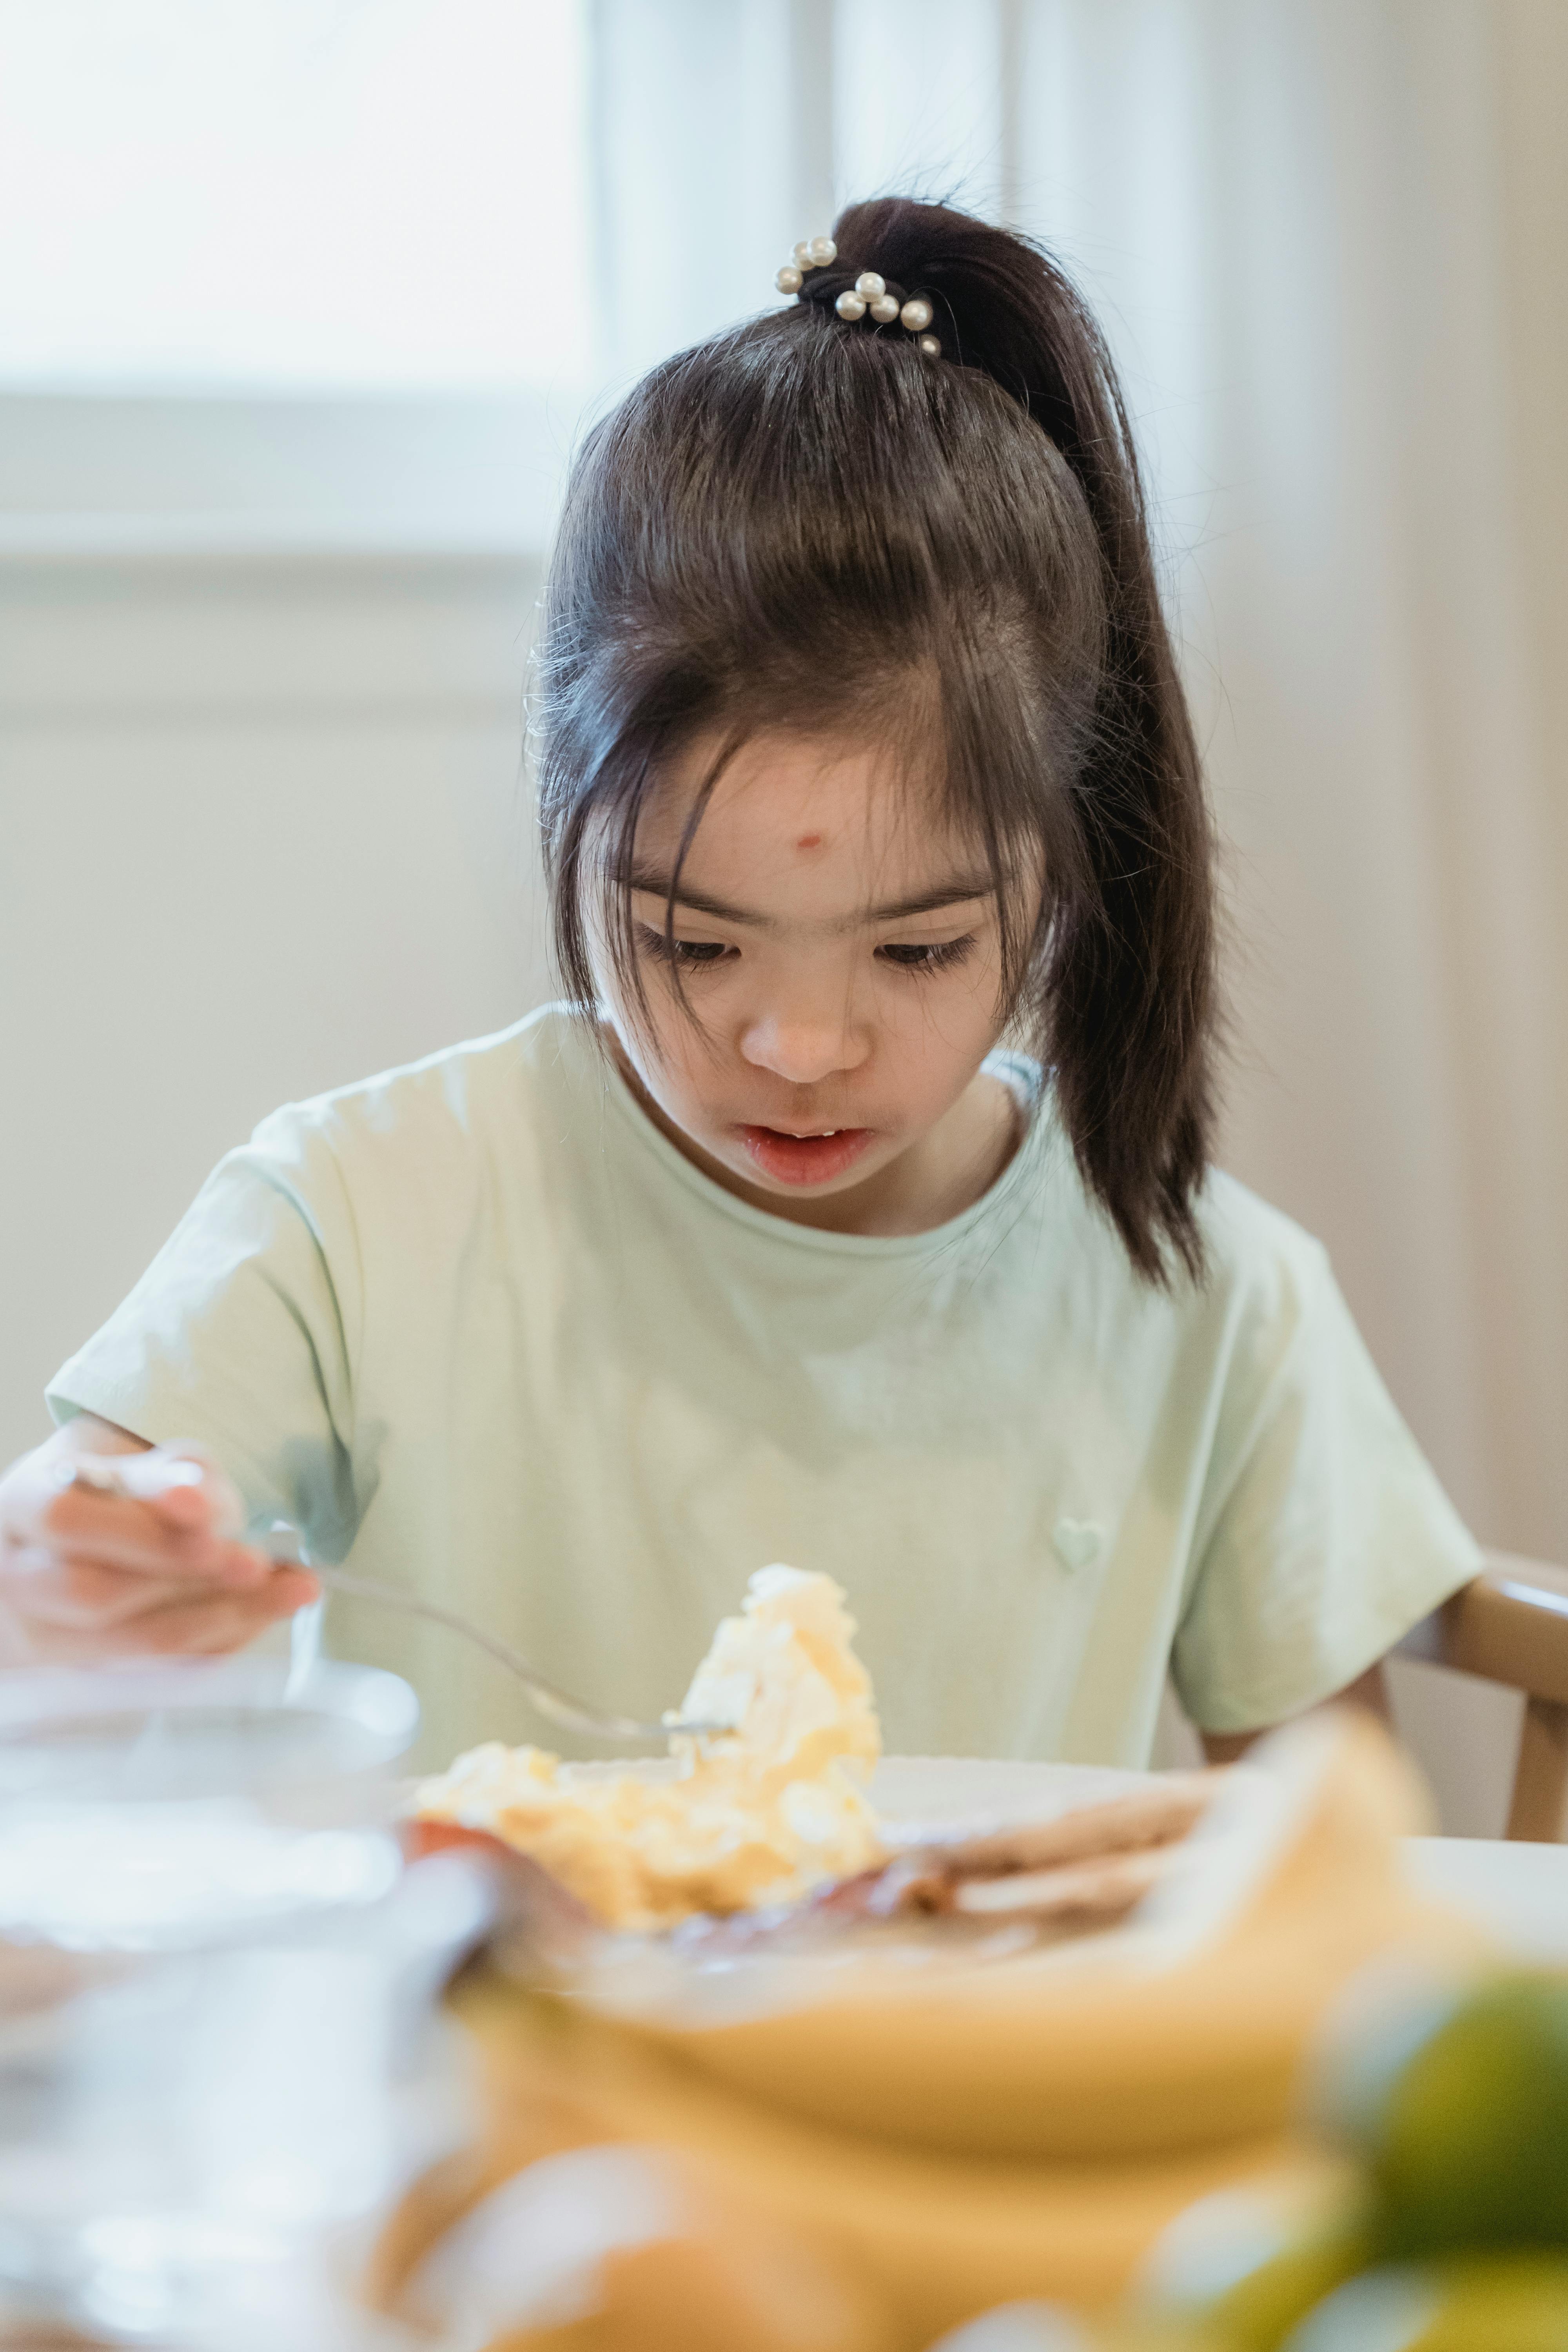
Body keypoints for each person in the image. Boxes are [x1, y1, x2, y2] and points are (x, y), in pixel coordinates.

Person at [0, 199, 1478, 1772]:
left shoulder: (1204, 1299)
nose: (800, 1044)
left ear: (1064, 872)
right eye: (693, 942)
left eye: (917, 949)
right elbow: (58, 1551)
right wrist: (77, 1569)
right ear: (566, 821)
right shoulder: (368, 1214)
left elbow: (1331, 1875)